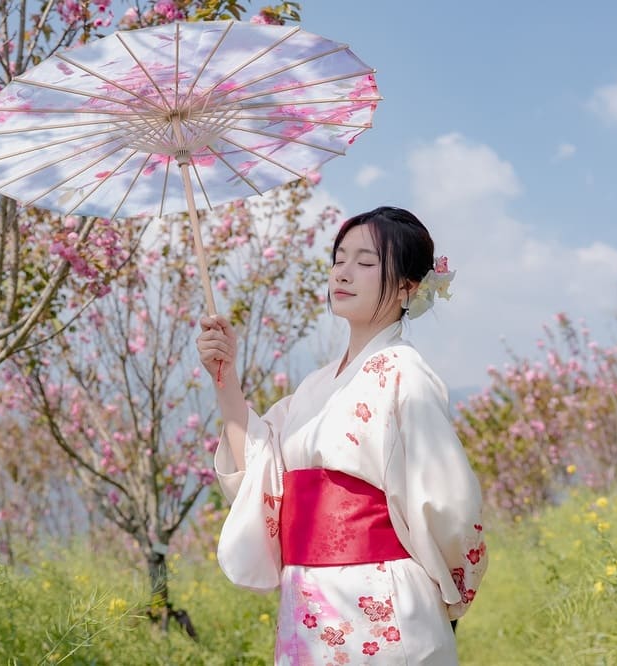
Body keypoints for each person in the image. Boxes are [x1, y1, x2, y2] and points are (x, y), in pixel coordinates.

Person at [196, 206, 487, 665]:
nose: (344, 273)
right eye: (339, 259)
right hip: (308, 598)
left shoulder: (405, 373)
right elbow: (261, 467)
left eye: (366, 262)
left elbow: (448, 503)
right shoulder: (315, 386)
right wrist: (224, 376)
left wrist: (446, 591)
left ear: (409, 286)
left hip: (381, 598)